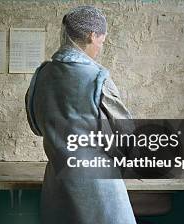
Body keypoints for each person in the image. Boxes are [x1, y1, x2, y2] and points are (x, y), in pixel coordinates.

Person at [25, 6, 136, 224]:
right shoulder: (97, 77)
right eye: (101, 42)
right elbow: (126, 135)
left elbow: (36, 126)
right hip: (99, 189)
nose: (100, 48)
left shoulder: (42, 74)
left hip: (58, 187)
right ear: (91, 35)